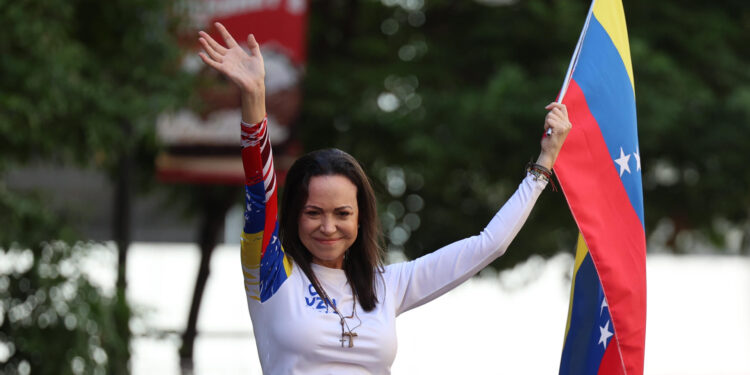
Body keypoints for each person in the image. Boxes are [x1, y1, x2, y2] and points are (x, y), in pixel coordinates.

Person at [198, 22, 571, 374]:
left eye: (342, 213)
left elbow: (489, 245)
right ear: (294, 216)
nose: (329, 226)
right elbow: (259, 192)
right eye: (313, 212)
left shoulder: (387, 285)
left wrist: (544, 163)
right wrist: (255, 98)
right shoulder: (271, 272)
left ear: (360, 219)